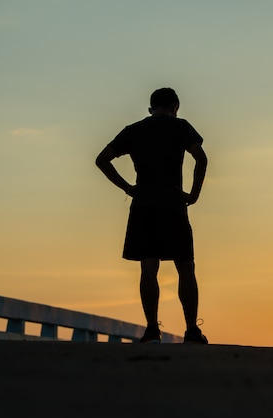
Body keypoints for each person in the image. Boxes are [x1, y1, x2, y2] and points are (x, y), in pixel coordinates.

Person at [96, 87, 208, 344]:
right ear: (175, 107)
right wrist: (193, 194)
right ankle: (191, 329)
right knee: (185, 267)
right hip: (173, 204)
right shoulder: (180, 127)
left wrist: (128, 188)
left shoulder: (134, 130)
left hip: (144, 204)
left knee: (148, 268)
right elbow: (201, 159)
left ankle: (151, 329)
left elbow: (102, 159)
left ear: (150, 109)